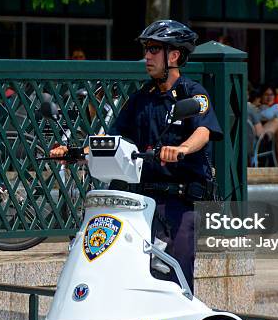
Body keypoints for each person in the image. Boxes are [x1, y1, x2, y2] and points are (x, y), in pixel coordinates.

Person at [51, 20, 222, 293]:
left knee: (174, 281)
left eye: (154, 49)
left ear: (174, 55)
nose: (147, 56)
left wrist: (181, 149)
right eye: (146, 50)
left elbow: (203, 131)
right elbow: (116, 142)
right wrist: (74, 154)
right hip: (140, 203)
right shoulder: (142, 98)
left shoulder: (193, 94)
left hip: (178, 204)